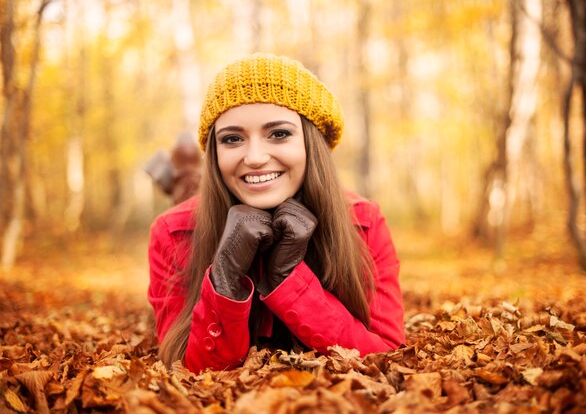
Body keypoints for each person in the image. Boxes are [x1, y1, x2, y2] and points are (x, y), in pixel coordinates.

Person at [148, 53, 405, 373]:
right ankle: (178, 176)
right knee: (188, 190)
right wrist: (225, 277)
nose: (255, 157)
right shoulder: (172, 233)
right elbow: (185, 369)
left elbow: (387, 356)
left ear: (312, 142)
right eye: (232, 139)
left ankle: (179, 173)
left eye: (279, 134)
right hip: (201, 202)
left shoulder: (364, 222)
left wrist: (289, 278)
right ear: (215, 151)